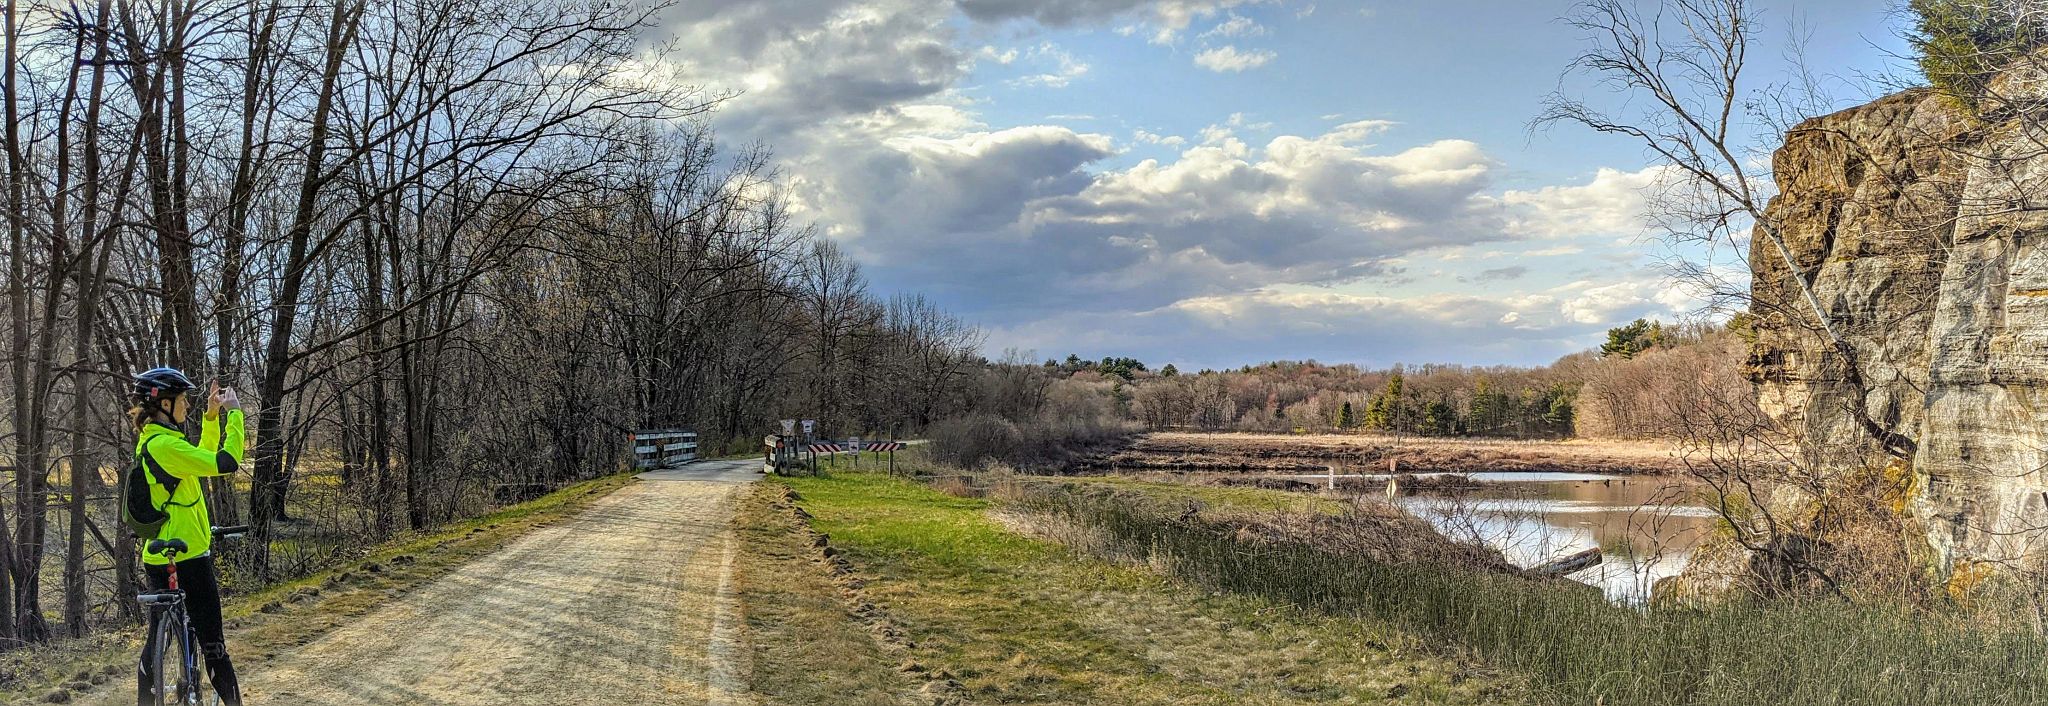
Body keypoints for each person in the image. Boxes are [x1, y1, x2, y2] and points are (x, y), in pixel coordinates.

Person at [130, 367, 244, 706]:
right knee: (213, 644)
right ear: (164, 403)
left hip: (157, 555)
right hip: (189, 557)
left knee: (157, 642)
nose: (187, 406)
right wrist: (234, 414)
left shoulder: (158, 443)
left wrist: (212, 418)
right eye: (183, 400)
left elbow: (201, 459)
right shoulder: (166, 445)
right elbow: (224, 462)